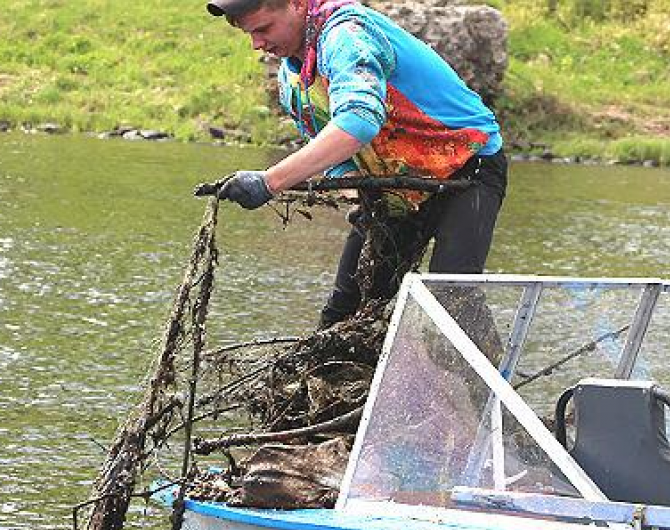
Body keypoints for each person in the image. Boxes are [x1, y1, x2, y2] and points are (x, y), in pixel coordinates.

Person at [207, 0, 508, 329]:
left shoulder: (347, 36)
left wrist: (270, 182)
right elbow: (335, 154)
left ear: (296, 4)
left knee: (449, 305)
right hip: (392, 186)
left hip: (466, 167)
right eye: (250, 34)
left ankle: (490, 375)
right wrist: (359, 197)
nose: (257, 44)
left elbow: (359, 120)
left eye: (264, 29)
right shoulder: (293, 82)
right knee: (345, 313)